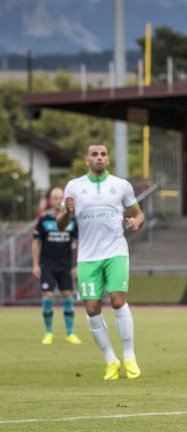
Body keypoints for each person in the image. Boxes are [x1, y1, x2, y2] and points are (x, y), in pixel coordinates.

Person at [57, 144, 144, 380]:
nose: (99, 158)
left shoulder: (121, 185)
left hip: (116, 252)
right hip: (87, 257)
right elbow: (61, 224)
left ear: (108, 159)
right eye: (94, 154)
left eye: (103, 154)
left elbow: (139, 213)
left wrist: (137, 222)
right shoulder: (74, 187)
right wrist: (66, 211)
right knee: (92, 308)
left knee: (117, 300)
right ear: (87, 159)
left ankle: (129, 355)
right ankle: (110, 360)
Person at [33, 187, 82, 345]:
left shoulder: (71, 220)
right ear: (50, 200)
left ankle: (70, 333)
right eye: (54, 198)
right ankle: (48, 333)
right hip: (47, 265)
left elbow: (78, 243)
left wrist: (76, 265)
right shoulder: (44, 219)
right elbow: (36, 242)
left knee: (68, 297)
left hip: (66, 266)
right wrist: (35, 264)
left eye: (61, 198)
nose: (57, 200)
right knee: (47, 296)